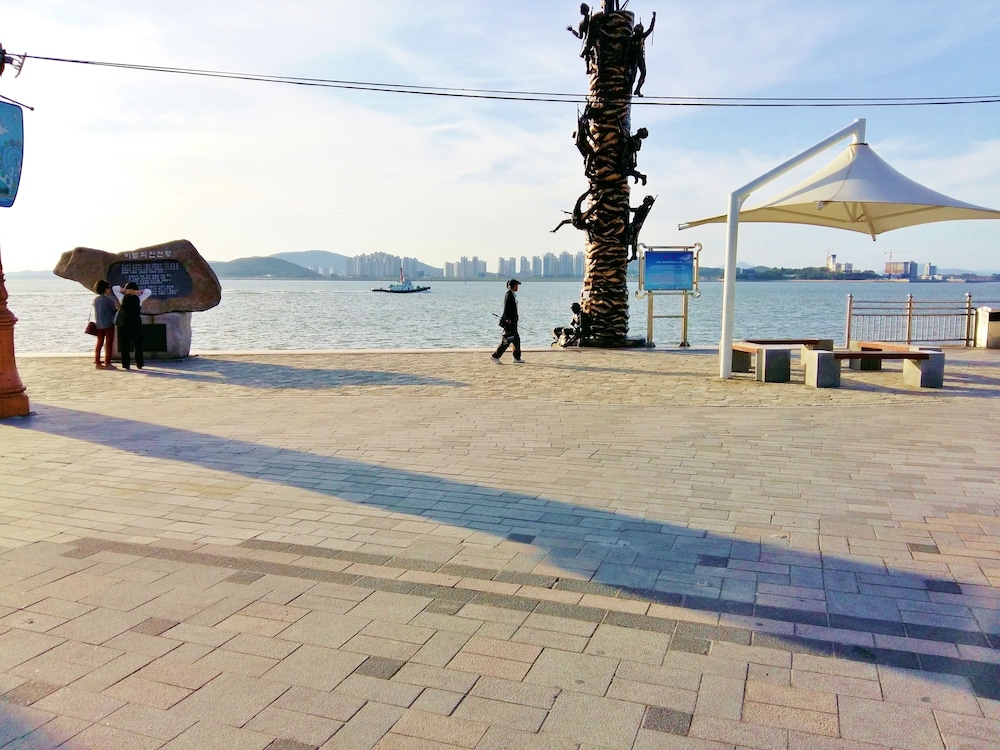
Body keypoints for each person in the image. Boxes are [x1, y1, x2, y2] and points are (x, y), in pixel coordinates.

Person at [112, 281, 152, 370]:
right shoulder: (139, 299)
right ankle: (139, 364)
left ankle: (126, 364)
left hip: (124, 324)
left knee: (124, 345)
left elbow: (115, 288)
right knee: (138, 345)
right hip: (136, 324)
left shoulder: (122, 298)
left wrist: (125, 290)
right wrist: (137, 292)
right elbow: (148, 291)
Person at [491, 279, 524, 364]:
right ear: (512, 286)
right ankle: (495, 356)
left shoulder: (512, 294)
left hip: (513, 322)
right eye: (516, 285)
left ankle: (516, 358)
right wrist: (507, 319)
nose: (517, 287)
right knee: (507, 340)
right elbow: (506, 308)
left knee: (516, 339)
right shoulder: (508, 294)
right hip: (509, 322)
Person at [91, 279, 119, 369]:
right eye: (108, 288)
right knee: (109, 343)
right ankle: (107, 362)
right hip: (108, 324)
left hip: (99, 324)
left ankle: (97, 362)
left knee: (99, 343)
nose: (109, 289)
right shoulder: (108, 300)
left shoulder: (96, 300)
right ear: (105, 289)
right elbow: (114, 310)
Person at [631, 12, 657, 97]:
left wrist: (653, 18)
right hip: (635, 57)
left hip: (637, 57)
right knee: (635, 74)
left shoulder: (636, 37)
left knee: (641, 73)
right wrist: (653, 18)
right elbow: (650, 29)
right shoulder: (638, 37)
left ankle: (637, 89)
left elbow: (651, 28)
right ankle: (635, 89)